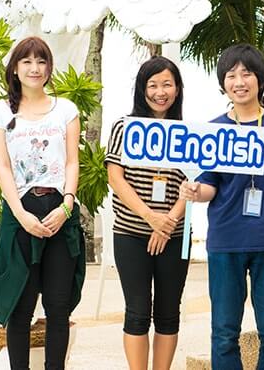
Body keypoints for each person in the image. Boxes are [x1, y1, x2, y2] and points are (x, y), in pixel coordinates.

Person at [180, 44, 264, 370]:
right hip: (227, 242)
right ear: (223, 83)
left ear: (259, 79)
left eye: (247, 73)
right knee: (224, 333)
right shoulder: (215, 129)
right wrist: (196, 191)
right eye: (231, 75)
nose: (239, 81)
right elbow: (210, 186)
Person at [0, 36, 84, 370]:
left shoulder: (66, 109)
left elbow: (71, 161)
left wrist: (67, 205)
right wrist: (20, 214)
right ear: (14, 68)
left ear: (49, 67)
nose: (34, 68)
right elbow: (3, 165)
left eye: (41, 61)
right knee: (20, 307)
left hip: (58, 210)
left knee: (58, 307)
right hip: (19, 212)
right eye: (26, 61)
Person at [105, 56, 189, 370]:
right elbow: (116, 178)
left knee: (169, 311)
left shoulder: (187, 132)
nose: (160, 92)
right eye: (152, 85)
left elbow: (192, 182)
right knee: (138, 311)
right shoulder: (124, 127)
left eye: (167, 84)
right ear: (142, 90)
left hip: (176, 234)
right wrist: (150, 218)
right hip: (130, 234)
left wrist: (167, 224)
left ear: (178, 89)